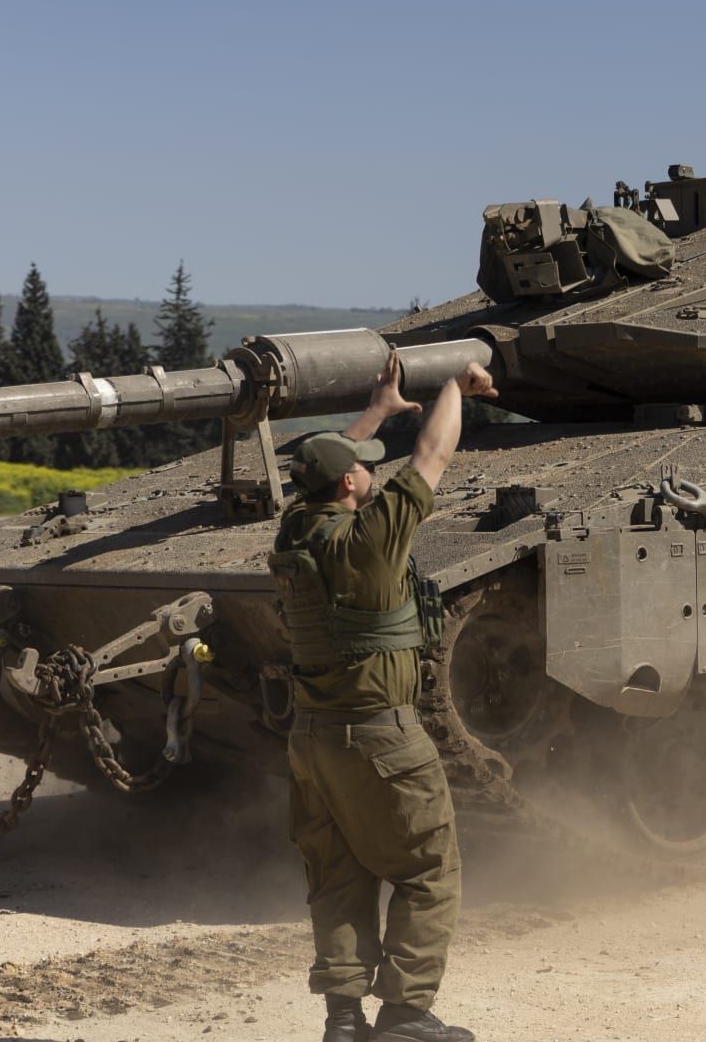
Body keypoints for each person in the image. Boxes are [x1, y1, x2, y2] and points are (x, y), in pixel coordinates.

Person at [270, 351, 496, 1042]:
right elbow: (433, 453)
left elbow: (321, 470)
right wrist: (456, 383)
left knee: (337, 875)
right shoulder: (373, 539)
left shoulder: (295, 531)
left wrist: (376, 411)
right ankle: (405, 1013)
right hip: (383, 739)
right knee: (429, 869)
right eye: (364, 464)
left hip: (313, 740)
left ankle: (344, 1020)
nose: (374, 469)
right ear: (350, 482)